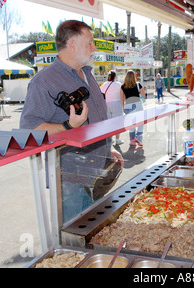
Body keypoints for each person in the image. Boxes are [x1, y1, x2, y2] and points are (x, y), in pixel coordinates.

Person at [20, 20, 123, 222]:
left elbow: (94, 121)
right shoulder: (44, 82)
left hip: (99, 173)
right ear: (72, 44)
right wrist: (67, 126)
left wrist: (107, 148)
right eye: (90, 43)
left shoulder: (86, 74)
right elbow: (28, 130)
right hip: (72, 181)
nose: (94, 48)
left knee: (96, 233)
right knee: (76, 241)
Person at [121, 70, 146, 147]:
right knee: (140, 122)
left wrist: (123, 108)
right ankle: (139, 138)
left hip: (128, 105)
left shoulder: (123, 86)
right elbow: (144, 95)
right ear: (134, 76)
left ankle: (132, 140)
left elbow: (122, 99)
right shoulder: (138, 85)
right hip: (137, 104)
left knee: (131, 124)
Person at [100, 70, 124, 145]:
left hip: (106, 104)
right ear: (115, 76)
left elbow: (100, 94)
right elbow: (122, 94)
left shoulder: (104, 84)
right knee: (117, 121)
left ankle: (110, 139)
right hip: (116, 104)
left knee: (109, 122)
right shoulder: (118, 84)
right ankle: (117, 139)